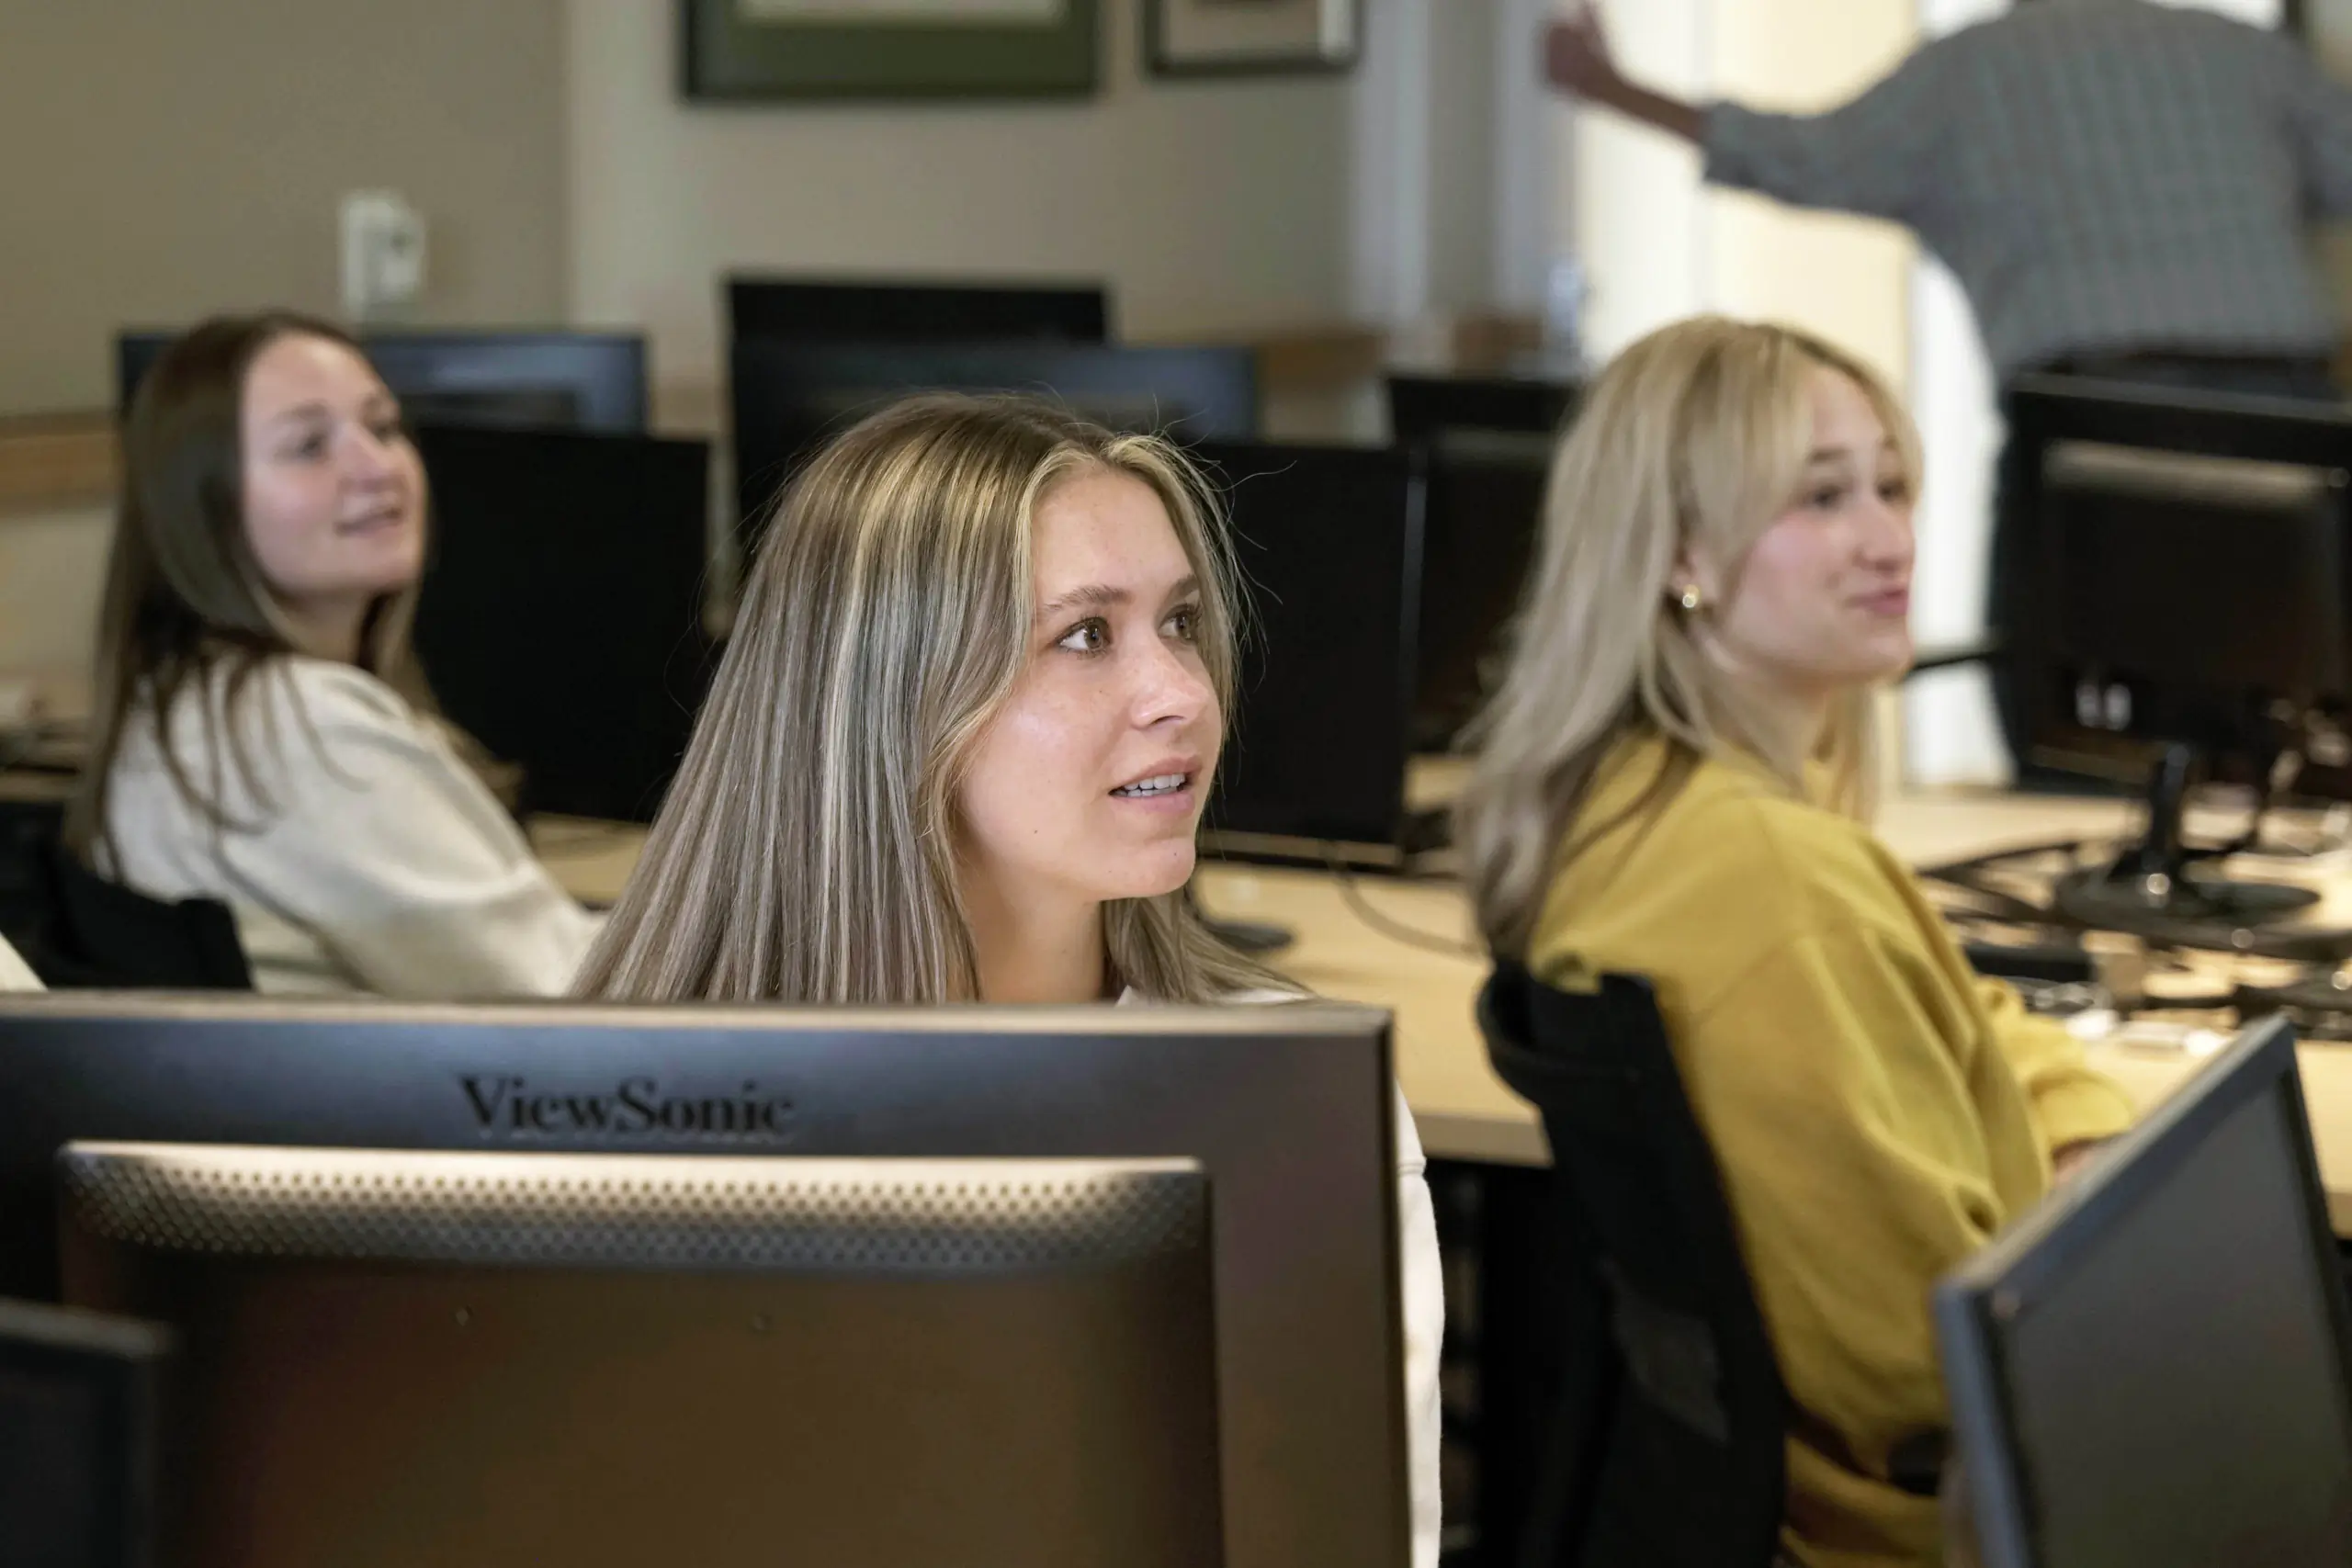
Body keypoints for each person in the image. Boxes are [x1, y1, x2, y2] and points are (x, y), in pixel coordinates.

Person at [575, 391, 1444, 1564]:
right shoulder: (624, 1105)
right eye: (1087, 634)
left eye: (1181, 622)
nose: (1182, 692)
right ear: (894, 699)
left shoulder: (1288, 1099)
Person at [1456, 316, 2134, 1568]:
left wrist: (2084, 1119)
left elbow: (1965, 1021)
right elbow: (1926, 1364)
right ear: (1681, 554)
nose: (1888, 538)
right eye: (1822, 497)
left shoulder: (1641, 802)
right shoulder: (1773, 887)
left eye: (1891, 485)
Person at [1546, 0, 2352, 763]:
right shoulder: (2246, 56)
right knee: (2298, 709)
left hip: (2095, 423)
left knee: (2070, 726)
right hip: (2287, 420)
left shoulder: (1971, 73)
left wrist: (1612, 88)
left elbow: (1802, 156)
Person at [64, 311, 599, 997]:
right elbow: (567, 989)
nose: (378, 468)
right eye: (309, 445)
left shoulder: (189, 699)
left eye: (382, 428)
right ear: (206, 507)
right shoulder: (297, 729)